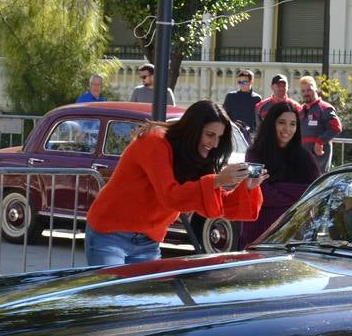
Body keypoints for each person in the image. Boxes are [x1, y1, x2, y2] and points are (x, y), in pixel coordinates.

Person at [84, 100, 263, 267]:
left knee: (141, 300)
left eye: (219, 137)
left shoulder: (193, 155)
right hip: (110, 233)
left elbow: (214, 204)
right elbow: (171, 196)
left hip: (148, 241)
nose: (215, 144)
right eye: (210, 135)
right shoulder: (154, 140)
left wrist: (247, 188)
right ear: (192, 129)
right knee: (112, 299)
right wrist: (217, 180)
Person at [240, 101, 319, 245]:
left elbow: (315, 191)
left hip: (294, 236)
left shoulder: (305, 157)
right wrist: (296, 201)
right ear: (272, 124)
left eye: (293, 124)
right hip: (258, 234)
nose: (287, 129)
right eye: (281, 122)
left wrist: (277, 187)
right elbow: (259, 191)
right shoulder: (254, 154)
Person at [298, 75, 342, 172]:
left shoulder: (325, 108)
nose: (306, 93)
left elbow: (336, 127)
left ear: (316, 90)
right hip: (303, 157)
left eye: (309, 90)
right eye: (303, 91)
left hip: (319, 157)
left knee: (318, 182)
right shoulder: (300, 111)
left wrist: (320, 142)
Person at [223, 69, 261, 142]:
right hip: (233, 134)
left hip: (250, 135)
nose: (241, 84)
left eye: (244, 82)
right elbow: (225, 116)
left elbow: (258, 120)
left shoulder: (257, 98)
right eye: (239, 82)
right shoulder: (230, 96)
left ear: (251, 82)